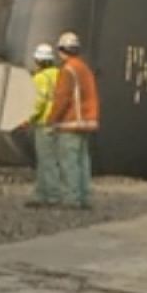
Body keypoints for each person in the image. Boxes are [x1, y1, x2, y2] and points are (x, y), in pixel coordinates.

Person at [45, 31, 100, 210]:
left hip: (70, 123)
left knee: (69, 163)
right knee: (82, 162)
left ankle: (71, 199)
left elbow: (62, 98)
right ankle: (83, 197)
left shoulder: (68, 70)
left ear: (61, 50)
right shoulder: (85, 68)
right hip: (86, 122)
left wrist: (51, 120)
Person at [24, 43, 61, 208]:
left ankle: (50, 196)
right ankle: (44, 193)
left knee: (46, 161)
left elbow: (37, 103)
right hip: (59, 122)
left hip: (45, 122)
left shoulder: (40, 79)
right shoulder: (60, 75)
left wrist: (27, 118)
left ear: (38, 61)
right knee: (53, 160)